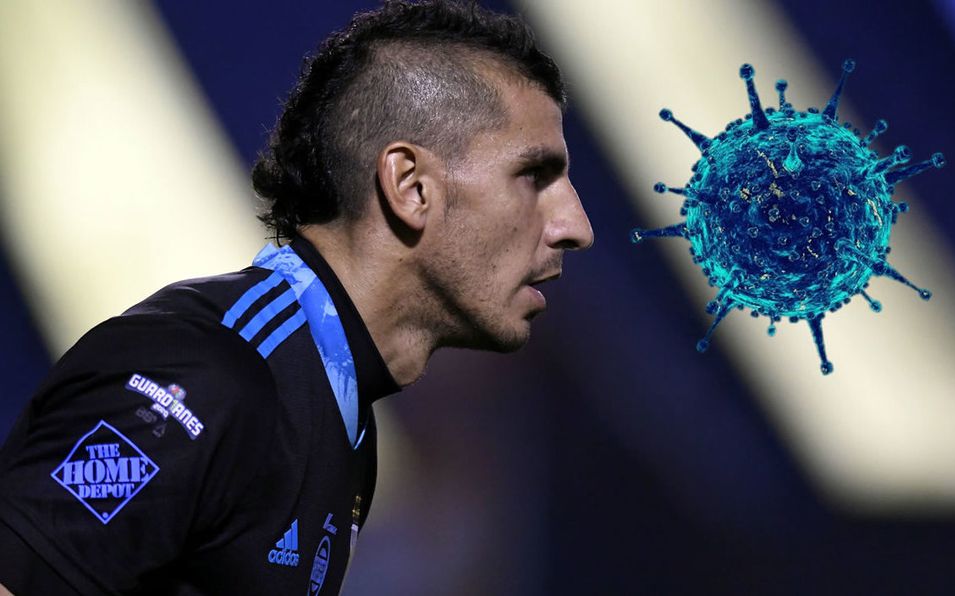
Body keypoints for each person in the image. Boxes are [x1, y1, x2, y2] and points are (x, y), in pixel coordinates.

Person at [0, 0, 592, 593]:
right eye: (533, 176)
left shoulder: (341, 417)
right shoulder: (207, 378)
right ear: (411, 187)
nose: (576, 226)